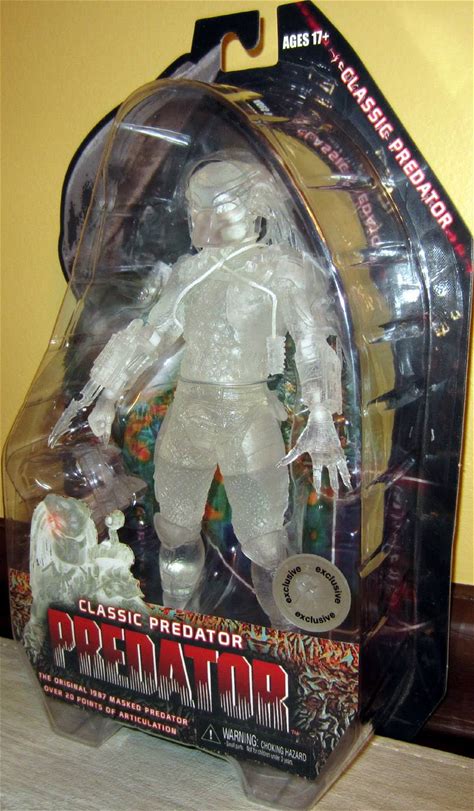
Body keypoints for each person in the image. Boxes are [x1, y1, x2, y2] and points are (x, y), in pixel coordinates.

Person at [50, 155, 350, 623]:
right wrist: (106, 395)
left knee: (266, 541)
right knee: (174, 528)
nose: (201, 219)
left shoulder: (281, 271)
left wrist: (320, 413)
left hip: (247, 411)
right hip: (189, 410)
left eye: (215, 205)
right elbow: (151, 333)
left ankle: (289, 636)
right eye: (195, 207)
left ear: (252, 205)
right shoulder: (189, 273)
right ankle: (178, 623)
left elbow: (312, 341)